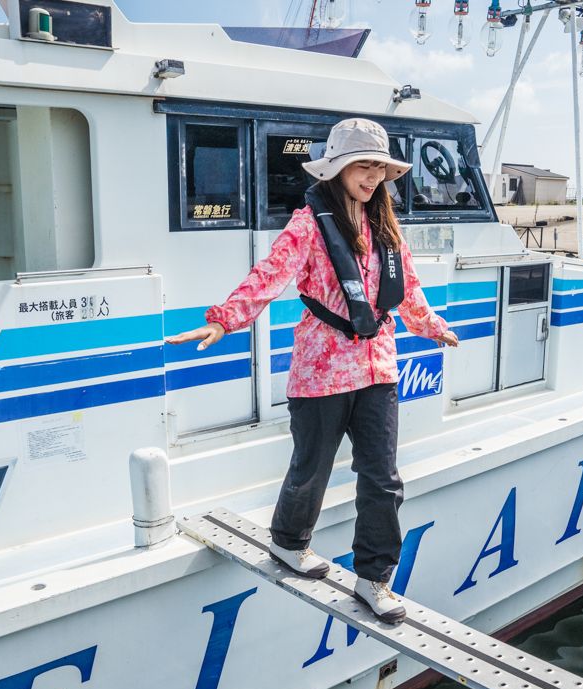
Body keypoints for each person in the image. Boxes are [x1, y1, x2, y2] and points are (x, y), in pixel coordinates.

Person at [167, 118, 458, 622]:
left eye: (379, 168)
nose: (372, 177)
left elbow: (407, 289)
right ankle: (288, 542)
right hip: (320, 370)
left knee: (383, 479)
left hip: (379, 366)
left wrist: (431, 326)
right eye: (363, 165)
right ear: (338, 169)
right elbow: (269, 276)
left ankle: (374, 579)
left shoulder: (386, 227)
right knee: (312, 469)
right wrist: (224, 320)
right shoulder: (307, 225)